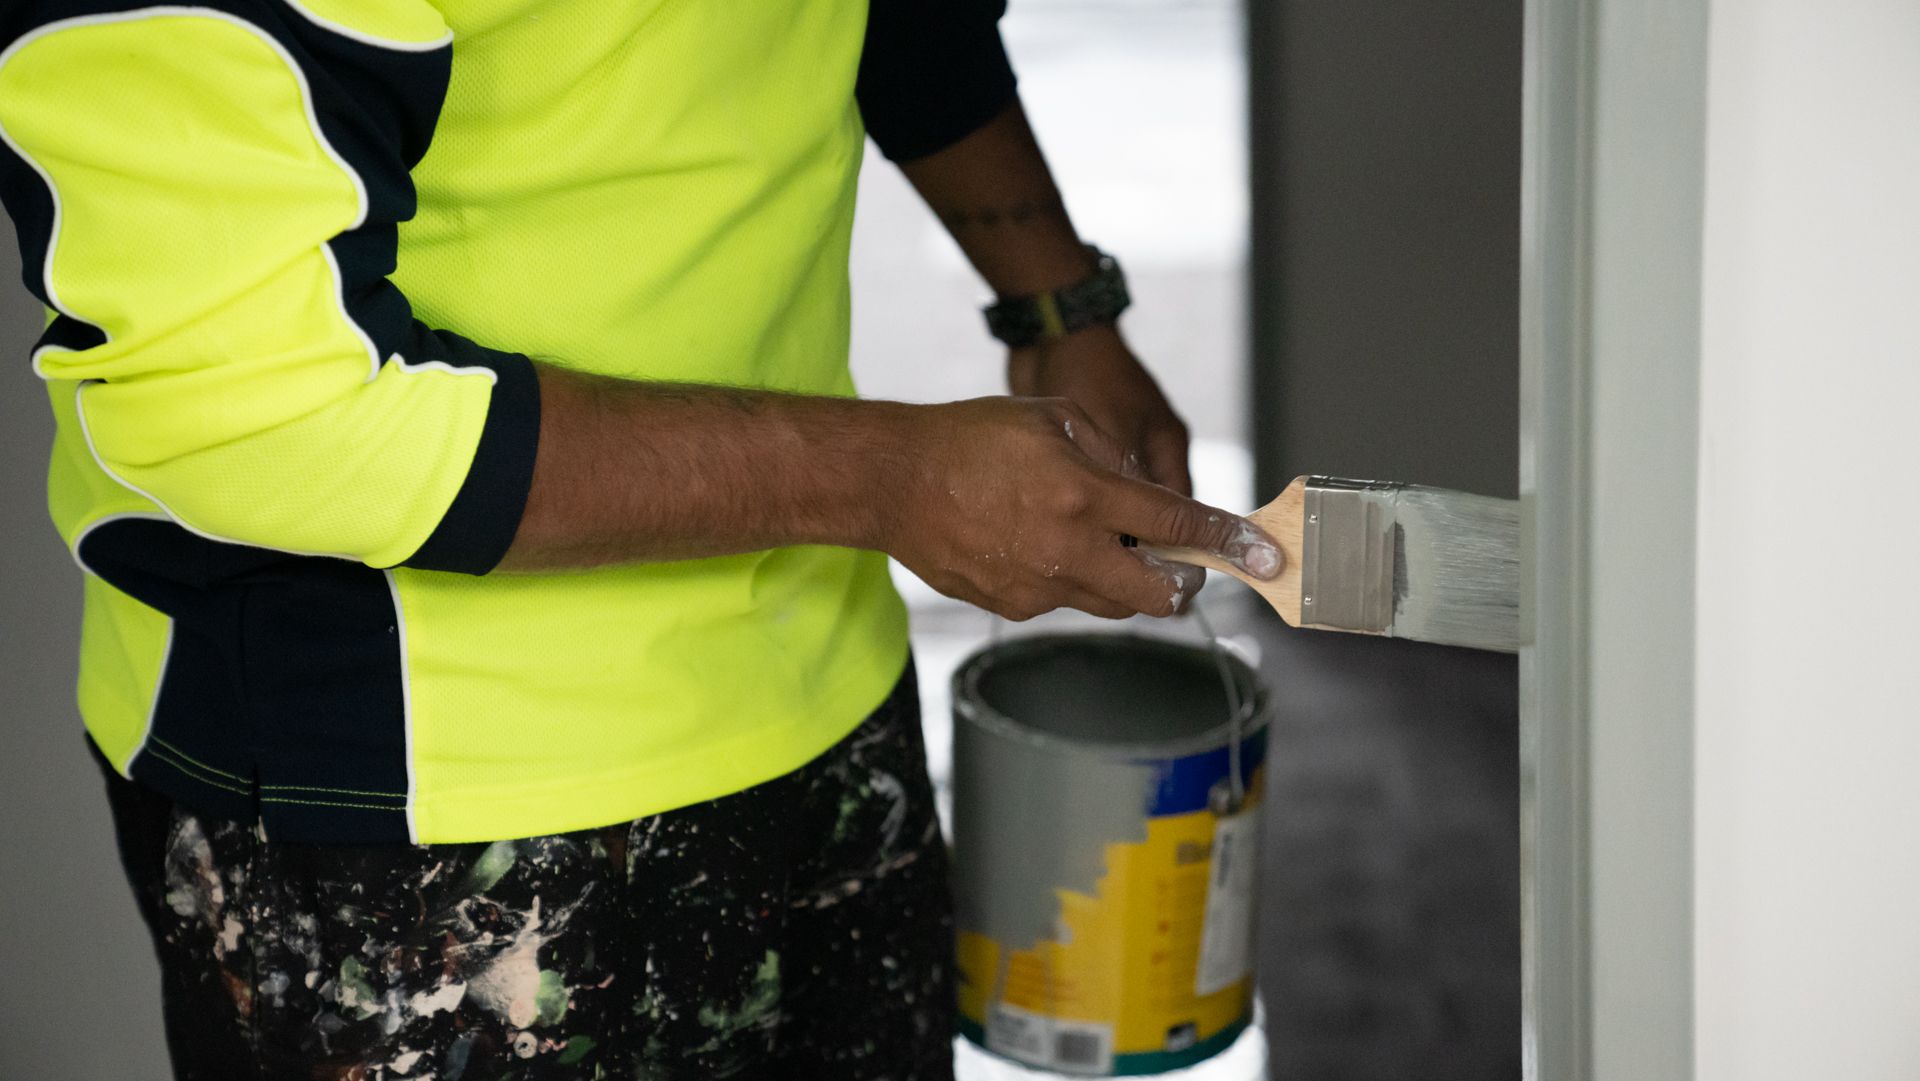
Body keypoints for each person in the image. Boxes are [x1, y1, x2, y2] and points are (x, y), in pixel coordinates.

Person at [0, 0, 1283, 1077]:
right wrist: (887, 477)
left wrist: (1057, 300)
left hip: (818, 681)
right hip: (429, 809)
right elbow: (249, 407)